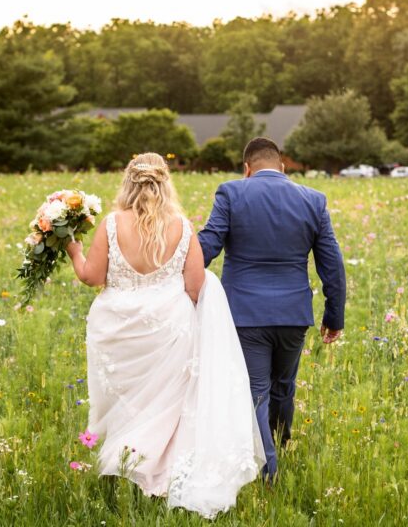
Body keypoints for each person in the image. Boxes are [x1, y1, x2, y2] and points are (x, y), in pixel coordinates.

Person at [65, 152, 265, 519]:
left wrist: (74, 251)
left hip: (118, 329)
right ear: (165, 182)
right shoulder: (181, 226)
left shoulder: (111, 224)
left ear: (128, 182)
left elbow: (92, 276)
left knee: (130, 403)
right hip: (169, 328)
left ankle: (127, 464)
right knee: (166, 405)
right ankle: (155, 472)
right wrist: (169, 309)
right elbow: (195, 285)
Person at [198, 137, 346, 481]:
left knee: (255, 390)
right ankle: (278, 447)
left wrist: (176, 259)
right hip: (294, 313)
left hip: (246, 314)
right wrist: (333, 316)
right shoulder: (313, 200)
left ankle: (269, 470)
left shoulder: (231, 193)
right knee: (283, 385)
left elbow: (208, 246)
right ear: (282, 166)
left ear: (246, 169)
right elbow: (332, 264)